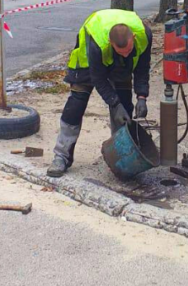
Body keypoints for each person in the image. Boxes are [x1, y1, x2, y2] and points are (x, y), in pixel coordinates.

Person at [47, 9, 153, 177]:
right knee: (75, 105)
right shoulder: (97, 43)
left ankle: (121, 156)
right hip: (87, 65)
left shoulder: (144, 35)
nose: (126, 53)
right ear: (111, 43)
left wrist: (142, 96)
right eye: (121, 51)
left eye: (128, 50)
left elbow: (142, 68)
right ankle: (61, 156)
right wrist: (113, 103)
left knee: (125, 107)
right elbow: (98, 79)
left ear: (133, 37)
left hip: (118, 65)